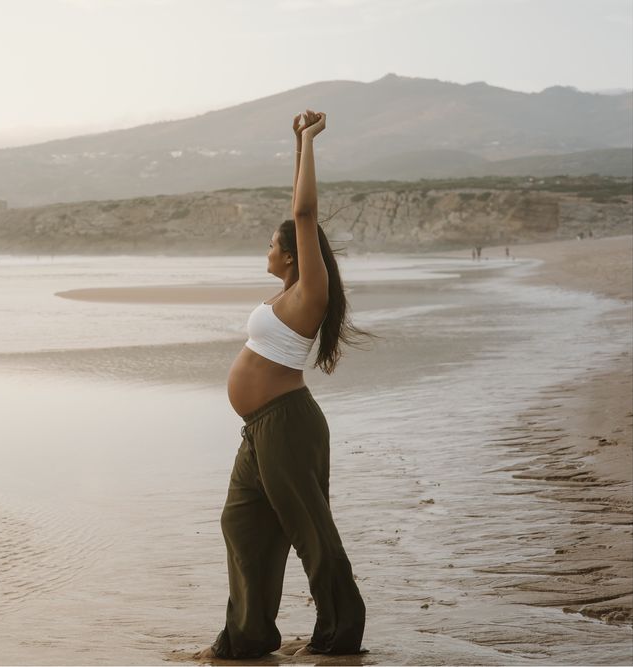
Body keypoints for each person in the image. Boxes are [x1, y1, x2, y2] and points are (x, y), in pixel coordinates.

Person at [193, 110, 368, 661]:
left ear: (291, 254)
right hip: (259, 427)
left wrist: (311, 142)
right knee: (242, 521)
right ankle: (248, 636)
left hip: (288, 425)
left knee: (309, 531)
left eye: (272, 245)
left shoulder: (309, 291)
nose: (266, 251)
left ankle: (342, 631)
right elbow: (297, 210)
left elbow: (304, 211)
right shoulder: (288, 293)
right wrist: (295, 142)